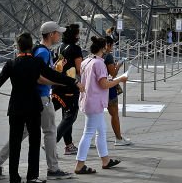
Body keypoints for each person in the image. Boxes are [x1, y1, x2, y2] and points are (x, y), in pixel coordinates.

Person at [0, 22, 76, 182]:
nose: (60, 35)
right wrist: (63, 82)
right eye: (58, 33)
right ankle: (52, 168)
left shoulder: (38, 51)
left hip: (28, 101)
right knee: (49, 132)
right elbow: (39, 77)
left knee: (23, 134)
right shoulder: (42, 53)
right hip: (40, 98)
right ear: (51, 35)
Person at [73, 37, 127, 174]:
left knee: (101, 130)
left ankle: (105, 160)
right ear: (104, 48)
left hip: (88, 100)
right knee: (89, 132)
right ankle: (80, 164)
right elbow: (104, 84)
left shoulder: (86, 61)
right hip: (95, 102)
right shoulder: (99, 64)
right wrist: (119, 79)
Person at [55, 24, 83, 156]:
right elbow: (79, 69)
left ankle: (69, 145)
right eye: (78, 33)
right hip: (70, 85)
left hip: (58, 85)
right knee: (70, 116)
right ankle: (52, 141)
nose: (79, 35)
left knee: (65, 115)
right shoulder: (75, 49)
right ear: (75, 35)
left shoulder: (60, 47)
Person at [103, 36, 133, 147]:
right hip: (108, 87)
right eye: (112, 45)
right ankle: (118, 138)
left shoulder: (95, 55)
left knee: (95, 115)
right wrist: (118, 65)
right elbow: (113, 74)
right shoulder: (108, 56)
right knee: (114, 113)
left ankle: (93, 138)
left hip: (96, 88)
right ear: (109, 45)